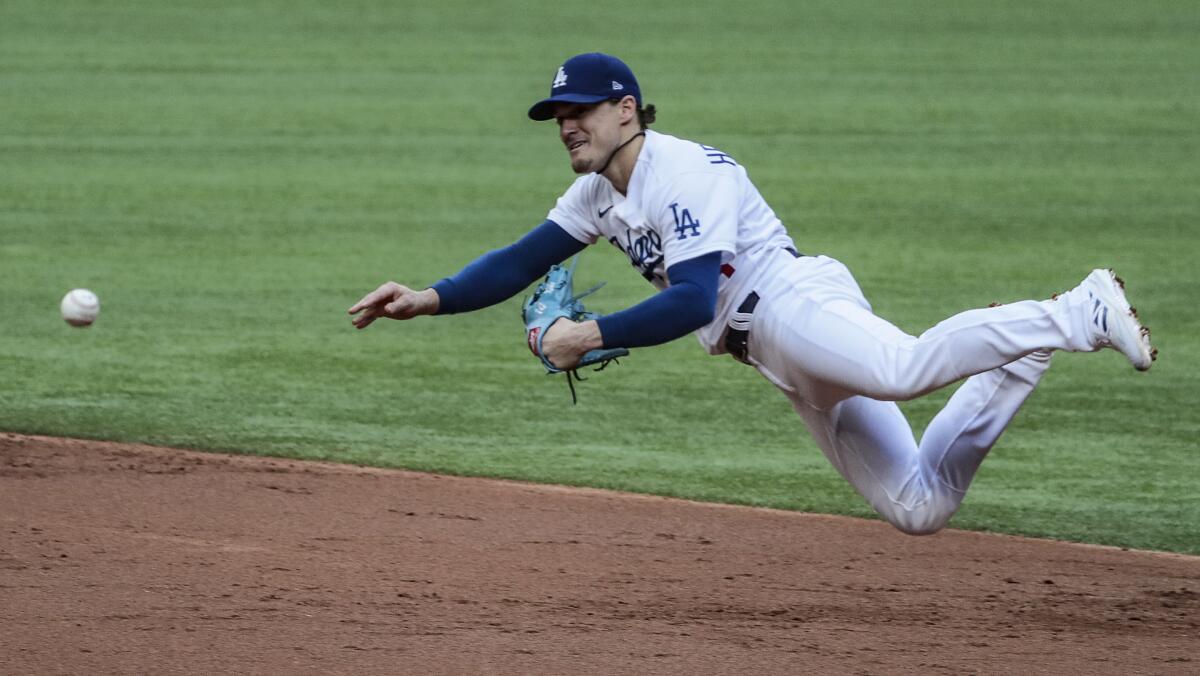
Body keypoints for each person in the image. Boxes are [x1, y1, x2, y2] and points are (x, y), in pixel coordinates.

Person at [349, 53, 1156, 535]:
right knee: (919, 506)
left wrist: (587, 336)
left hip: (793, 306)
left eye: (578, 110)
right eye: (556, 115)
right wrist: (430, 297)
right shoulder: (599, 193)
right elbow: (520, 259)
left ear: (626, 110)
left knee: (906, 369)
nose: (565, 124)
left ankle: (1074, 310)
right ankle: (1019, 360)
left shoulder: (681, 172)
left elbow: (696, 299)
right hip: (775, 357)